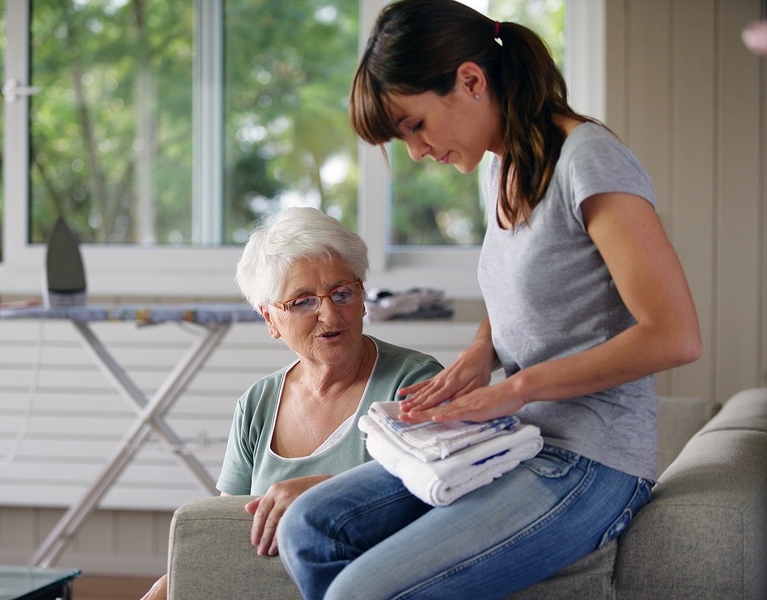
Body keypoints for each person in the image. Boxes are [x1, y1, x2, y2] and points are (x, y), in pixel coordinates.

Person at [277, 1, 703, 599]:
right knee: (310, 528)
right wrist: (481, 353)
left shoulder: (588, 159)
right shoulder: (498, 167)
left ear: (470, 81)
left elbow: (674, 334)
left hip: (590, 461)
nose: (418, 152)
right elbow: (530, 285)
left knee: (360, 593)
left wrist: (514, 387)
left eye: (414, 125)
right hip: (513, 438)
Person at [140, 206, 443, 600]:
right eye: (303, 302)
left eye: (343, 293)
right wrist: (175, 581)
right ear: (270, 319)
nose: (330, 314)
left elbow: (440, 506)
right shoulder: (258, 403)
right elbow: (229, 527)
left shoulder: (415, 382)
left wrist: (326, 497)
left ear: (363, 295)